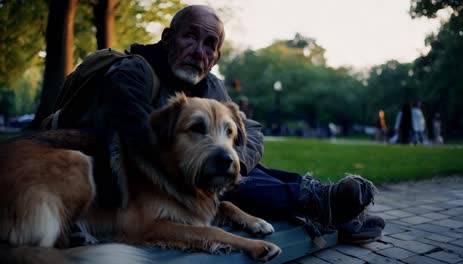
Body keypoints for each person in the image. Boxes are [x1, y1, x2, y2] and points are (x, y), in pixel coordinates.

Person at [56, 5, 384, 246]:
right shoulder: (134, 72)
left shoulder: (211, 87)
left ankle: (319, 199)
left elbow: (250, 131)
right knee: (215, 164)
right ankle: (320, 202)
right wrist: (213, 161)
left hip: (179, 181)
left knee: (233, 163)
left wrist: (236, 162)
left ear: (216, 56)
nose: (199, 51)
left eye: (209, 44)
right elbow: (140, 139)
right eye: (190, 37)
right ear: (168, 38)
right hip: (114, 183)